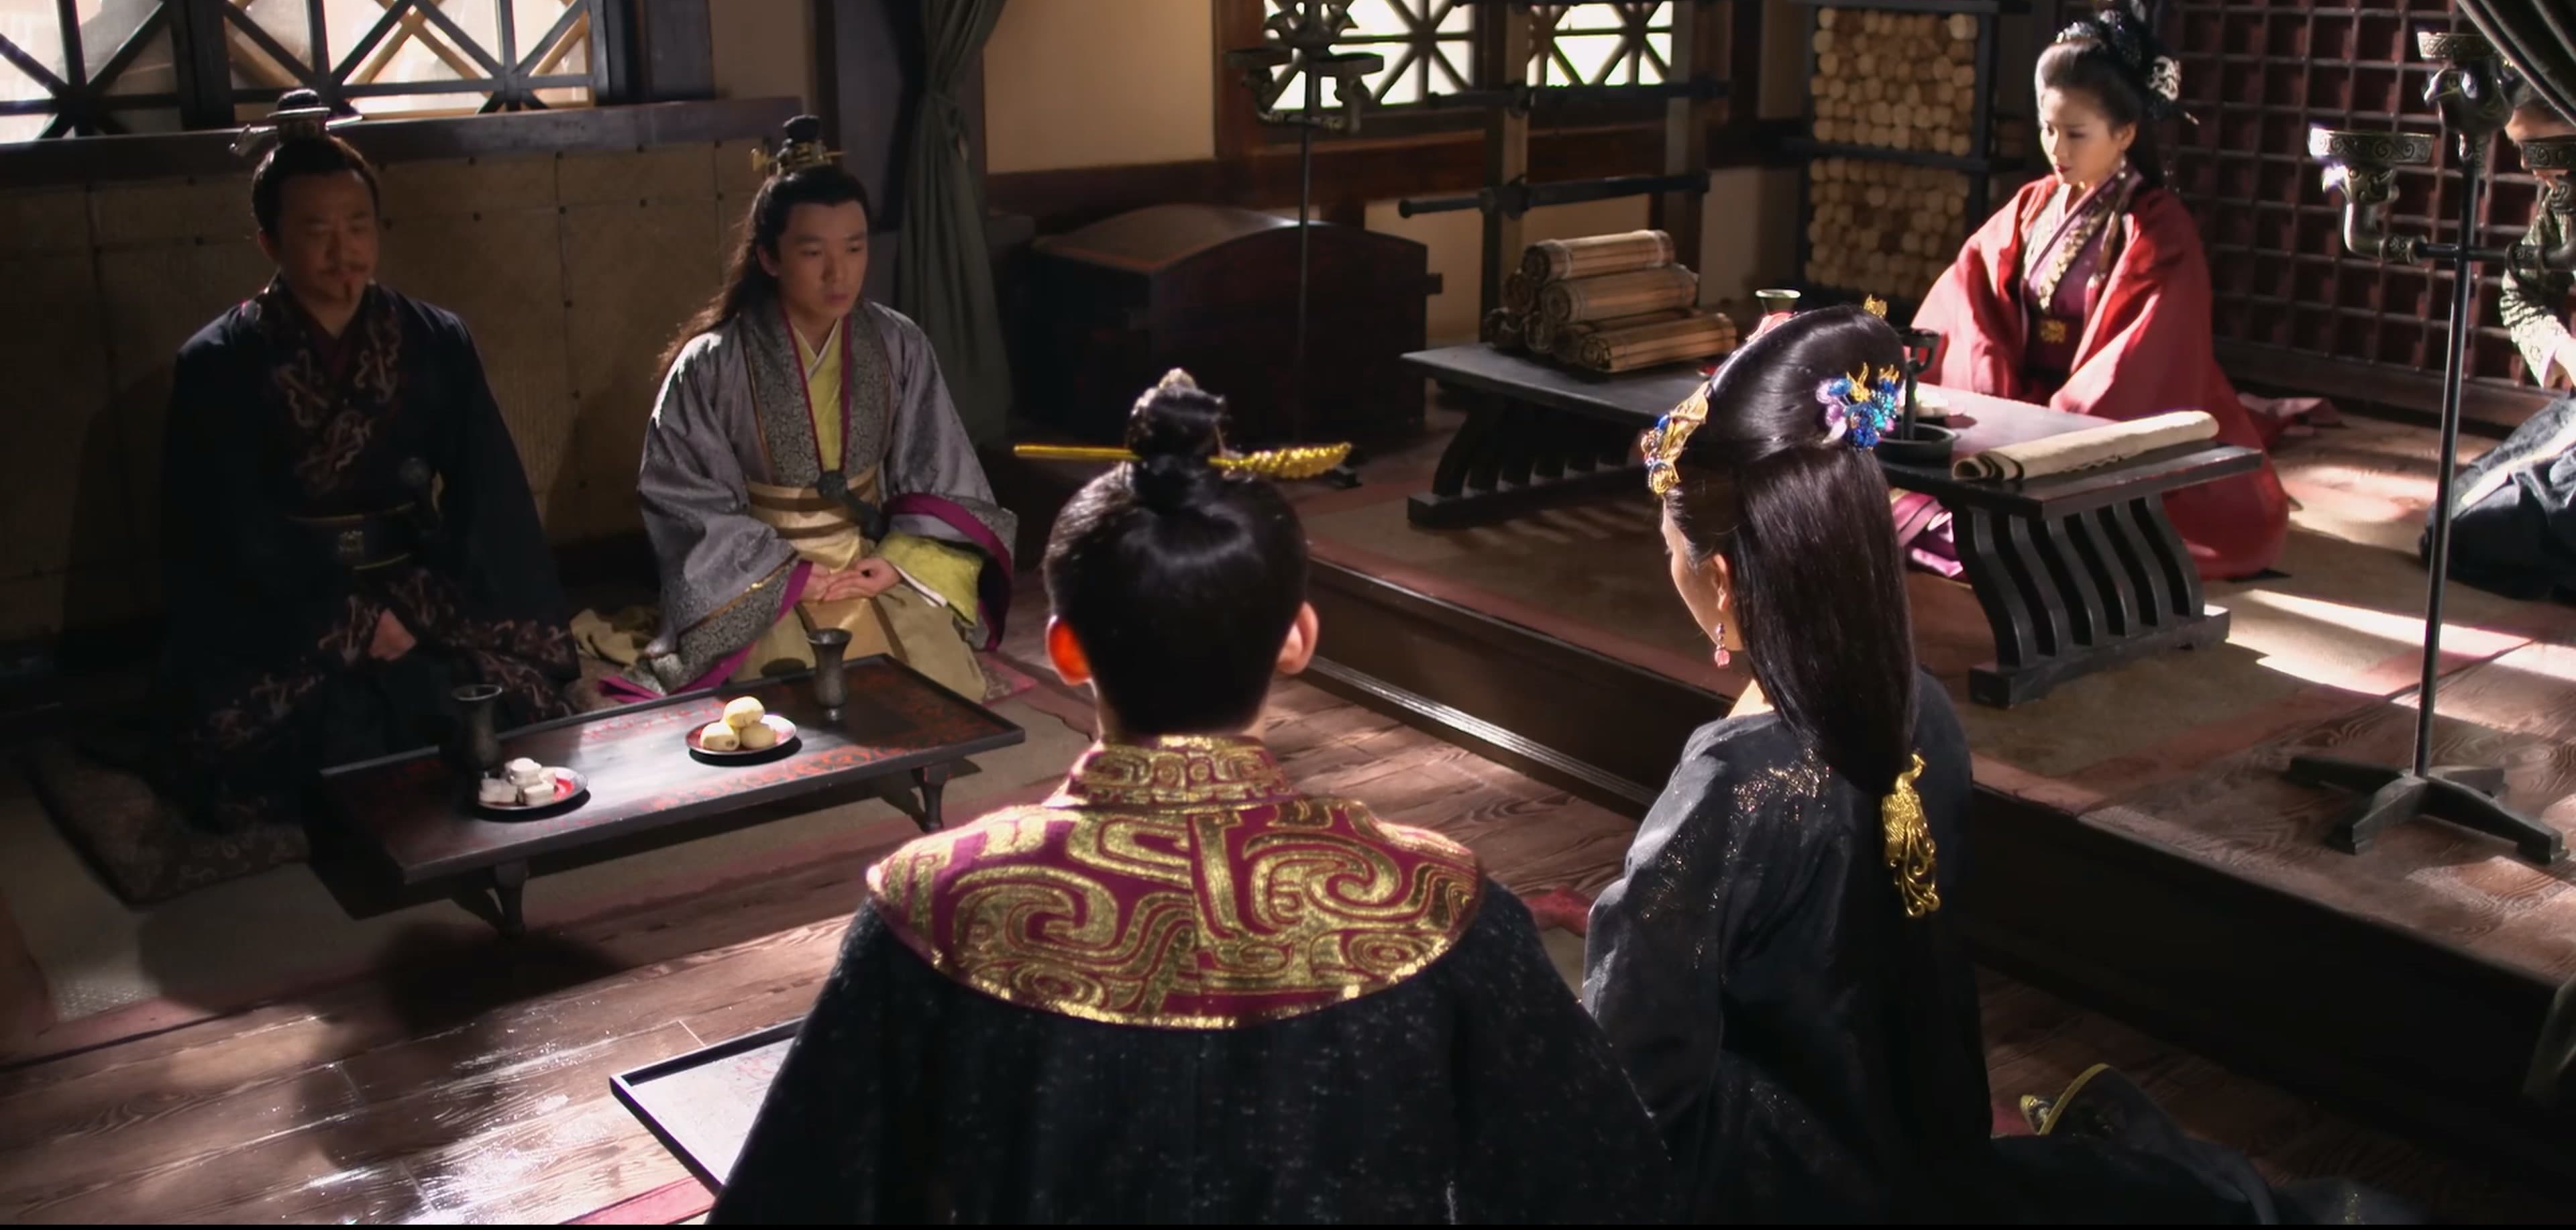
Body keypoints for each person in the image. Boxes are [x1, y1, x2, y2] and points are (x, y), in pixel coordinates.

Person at [711, 372, 1670, 1224]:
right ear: (1297, 640)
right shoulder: (1440, 906)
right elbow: (1602, 1188)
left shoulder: (934, 906)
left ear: (1066, 649)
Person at [1584, 306, 2408, 1223]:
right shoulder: (1920, 706)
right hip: (1922, 1134)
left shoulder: (1734, 786)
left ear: (1724, 579)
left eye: (1673, 551)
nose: (1672, 568)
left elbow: (1635, 1072)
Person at [158, 91, 574, 830]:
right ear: (269, 242)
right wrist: (349, 622)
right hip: (284, 598)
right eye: (316, 230)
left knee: (497, 691)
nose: (342, 250)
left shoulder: (433, 339)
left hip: (412, 575)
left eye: (357, 226)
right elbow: (226, 524)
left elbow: (488, 492)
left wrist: (422, 608)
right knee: (273, 728)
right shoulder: (218, 362)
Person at [1911, 0, 2290, 579]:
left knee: (2077, 541)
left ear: (2126, 133)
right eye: (2047, 128)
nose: (2056, 149)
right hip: (2017, 404)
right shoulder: (2033, 203)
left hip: (2098, 419)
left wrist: (2053, 432)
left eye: (2076, 134)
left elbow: (2140, 359)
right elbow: (1970, 295)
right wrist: (1995, 401)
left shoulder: (2158, 229)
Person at [622, 116, 1012, 703]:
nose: (839, 272)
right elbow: (685, 498)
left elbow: (941, 469)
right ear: (769, 258)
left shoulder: (897, 343)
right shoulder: (711, 363)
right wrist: (790, 578)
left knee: (939, 688)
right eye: (813, 252)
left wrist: (899, 561)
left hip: (868, 559)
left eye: (855, 248)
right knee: (787, 698)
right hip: (764, 573)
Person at [2436, 76, 2576, 596]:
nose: (2529, 167)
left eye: (2540, 148)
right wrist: (2566, 352)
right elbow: (2520, 292)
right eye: (2521, 150)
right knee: (2458, 521)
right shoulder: (2564, 208)